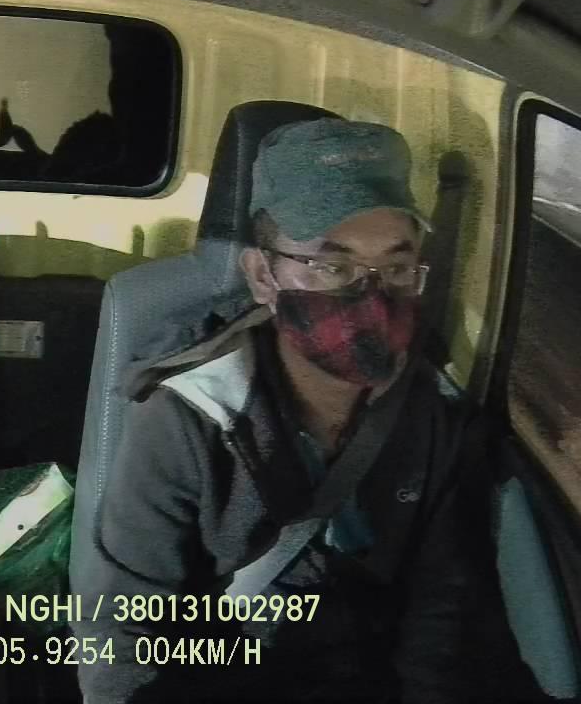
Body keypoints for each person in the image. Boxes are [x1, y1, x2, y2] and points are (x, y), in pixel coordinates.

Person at [74, 119, 532, 703]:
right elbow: (125, 635)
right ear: (263, 276)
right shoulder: (187, 420)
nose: (371, 297)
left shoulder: (434, 417)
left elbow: (440, 617)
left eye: (395, 268)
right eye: (332, 267)